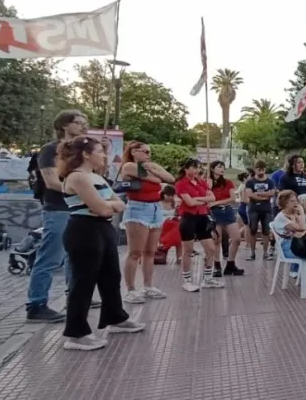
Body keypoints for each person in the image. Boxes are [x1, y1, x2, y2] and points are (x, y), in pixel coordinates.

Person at [58, 136, 143, 350]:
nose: (104, 155)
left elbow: (119, 204)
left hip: (103, 229)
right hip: (84, 230)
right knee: (83, 282)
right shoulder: (77, 177)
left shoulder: (97, 177)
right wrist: (109, 205)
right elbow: (103, 208)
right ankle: (76, 333)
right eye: (100, 151)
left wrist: (108, 205)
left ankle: (115, 317)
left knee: (111, 276)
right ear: (86, 154)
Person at [27, 109, 89, 323]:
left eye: (84, 122)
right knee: (50, 257)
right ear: (64, 125)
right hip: (57, 208)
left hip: (75, 208)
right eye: (79, 122)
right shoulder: (50, 149)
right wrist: (82, 190)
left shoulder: (77, 151)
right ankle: (36, 304)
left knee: (74, 256)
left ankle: (75, 296)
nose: (83, 126)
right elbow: (52, 181)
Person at [118, 141, 174, 304]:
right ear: (134, 152)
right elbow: (156, 180)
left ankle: (148, 286)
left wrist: (155, 169)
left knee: (150, 251)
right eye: (145, 151)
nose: (148, 155)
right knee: (135, 252)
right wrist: (155, 173)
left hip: (155, 208)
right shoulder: (128, 166)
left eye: (150, 152)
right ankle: (130, 289)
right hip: (138, 208)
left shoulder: (151, 165)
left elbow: (170, 179)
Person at [174, 158, 223, 292]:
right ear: (186, 168)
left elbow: (212, 198)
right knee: (188, 250)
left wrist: (198, 199)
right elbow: (189, 203)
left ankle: (207, 278)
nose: (197, 170)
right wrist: (202, 200)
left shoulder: (201, 181)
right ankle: (187, 280)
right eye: (194, 168)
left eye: (199, 168)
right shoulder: (181, 183)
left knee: (211, 249)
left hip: (202, 216)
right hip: (188, 218)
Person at [209, 161, 244, 276]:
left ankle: (230, 264)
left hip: (227, 211)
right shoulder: (208, 182)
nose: (222, 169)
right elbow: (206, 195)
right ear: (212, 169)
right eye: (219, 167)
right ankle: (217, 265)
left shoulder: (228, 182)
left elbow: (232, 198)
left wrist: (216, 202)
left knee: (236, 238)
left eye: (223, 167)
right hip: (214, 213)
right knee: (216, 240)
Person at [244, 161, 276, 260]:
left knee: (266, 231)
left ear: (265, 169)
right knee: (252, 230)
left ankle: (265, 253)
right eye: (258, 169)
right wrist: (264, 195)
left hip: (266, 209)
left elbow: (272, 192)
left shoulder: (270, 181)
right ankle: (252, 252)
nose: (261, 171)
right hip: (254, 208)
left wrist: (258, 194)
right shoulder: (250, 182)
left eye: (262, 169)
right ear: (255, 169)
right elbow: (250, 194)